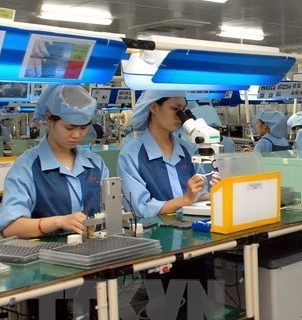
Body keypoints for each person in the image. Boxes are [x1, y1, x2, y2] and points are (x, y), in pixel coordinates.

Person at [0, 85, 109, 238]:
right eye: (69, 128)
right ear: (49, 119)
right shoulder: (27, 167)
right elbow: (10, 227)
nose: (77, 135)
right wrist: (58, 222)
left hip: (94, 250)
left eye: (83, 128)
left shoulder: (96, 164)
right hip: (45, 256)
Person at [117, 90, 210, 219]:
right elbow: (140, 209)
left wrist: (214, 194)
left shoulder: (187, 149)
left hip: (189, 229)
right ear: (154, 108)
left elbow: (197, 195)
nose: (180, 116)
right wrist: (185, 199)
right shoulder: (131, 154)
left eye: (183, 110)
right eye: (175, 109)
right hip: (154, 234)